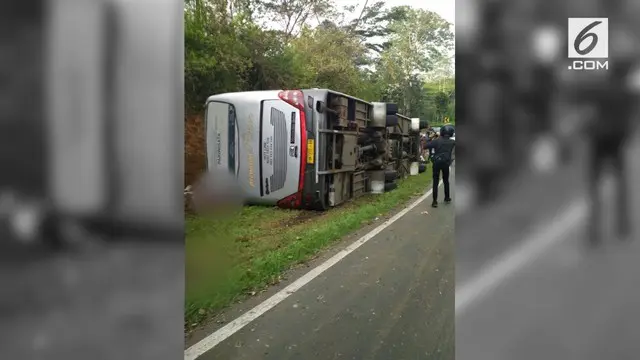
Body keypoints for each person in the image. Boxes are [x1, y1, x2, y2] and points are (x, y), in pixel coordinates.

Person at [425, 125, 455, 208]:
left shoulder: (436, 141)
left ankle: (434, 201)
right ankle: (447, 197)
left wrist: (431, 137)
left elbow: (425, 146)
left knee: (435, 181)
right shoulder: (452, 142)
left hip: (436, 162)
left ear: (441, 132)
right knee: (446, 180)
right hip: (446, 163)